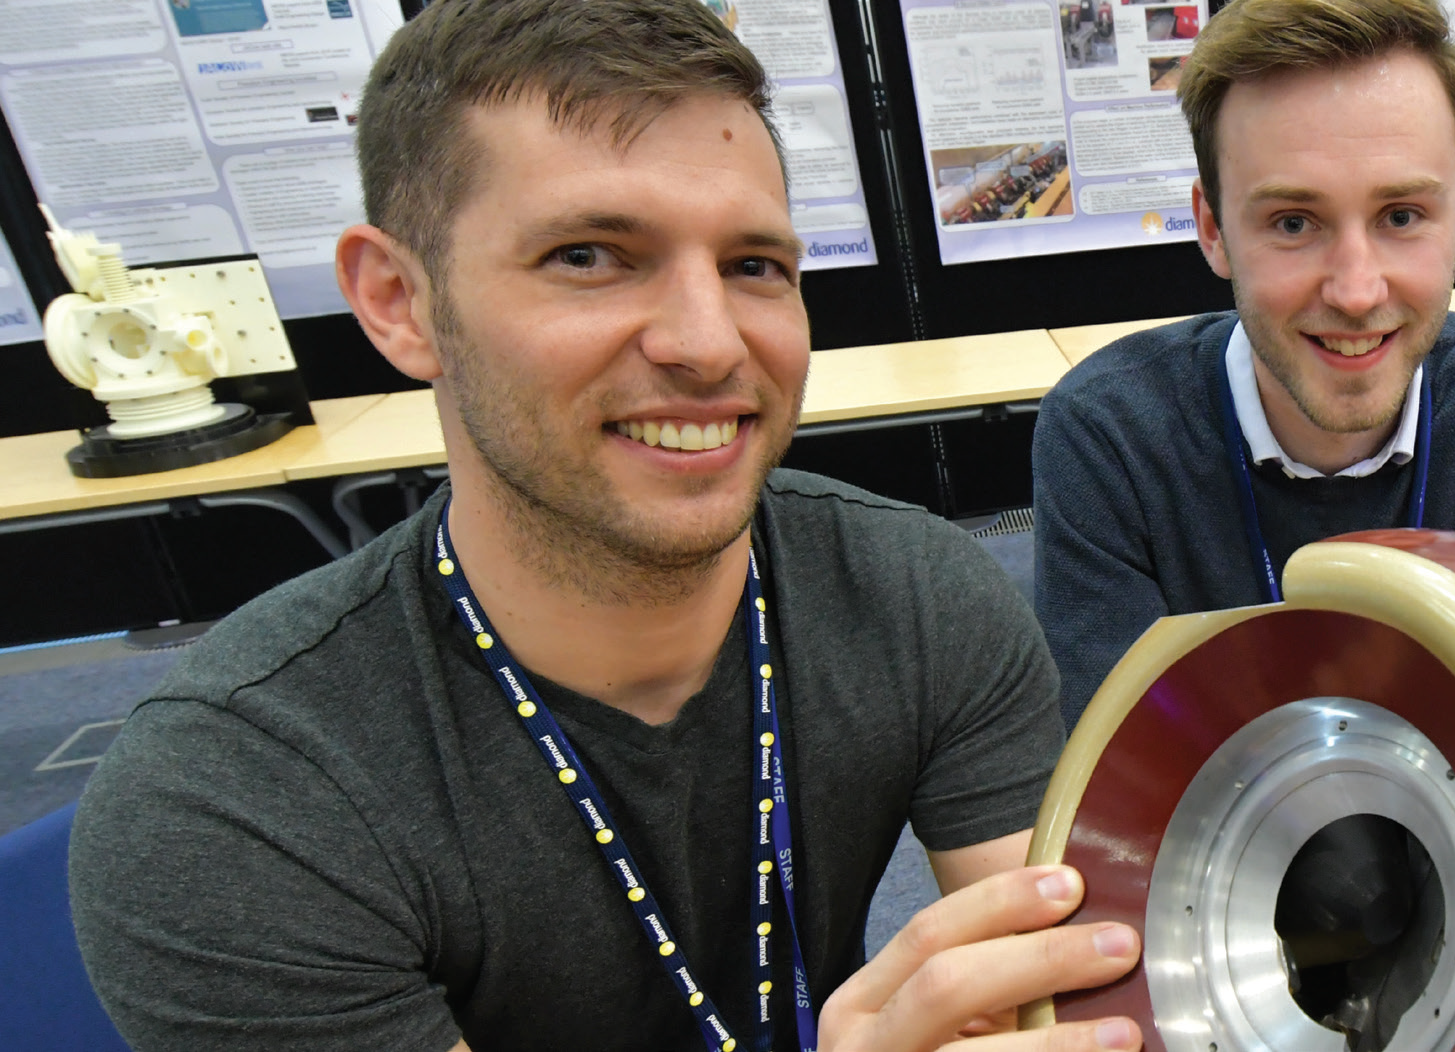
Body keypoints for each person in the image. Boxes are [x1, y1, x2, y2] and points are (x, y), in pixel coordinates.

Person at [66, 2, 1142, 1050]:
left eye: (753, 266)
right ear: (400, 300)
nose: (708, 341)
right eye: (589, 254)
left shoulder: (914, 593)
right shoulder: (235, 799)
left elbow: (1076, 978)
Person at [1033, 0, 1455, 726]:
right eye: (1293, 223)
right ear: (1213, 230)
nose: (1357, 293)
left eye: (1401, 217)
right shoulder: (1111, 438)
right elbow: (1119, 785)